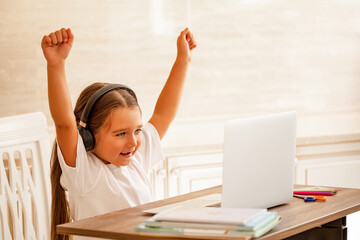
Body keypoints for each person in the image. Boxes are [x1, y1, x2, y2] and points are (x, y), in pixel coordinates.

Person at [41, 27, 196, 240]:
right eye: (120, 134)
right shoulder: (85, 174)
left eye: (137, 131)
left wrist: (183, 59)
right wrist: (56, 64)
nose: (133, 142)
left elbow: (163, 114)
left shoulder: (135, 159)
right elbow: (64, 124)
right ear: (87, 137)